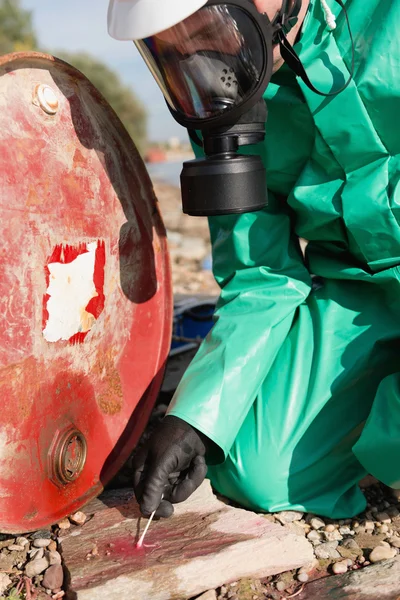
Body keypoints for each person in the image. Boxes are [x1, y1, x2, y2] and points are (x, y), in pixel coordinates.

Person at [108, 0, 400, 520]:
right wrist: (197, 417)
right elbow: (260, 276)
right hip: (361, 295)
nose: (202, 53)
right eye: (174, 44)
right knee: (261, 472)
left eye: (204, 24)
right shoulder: (224, 102)